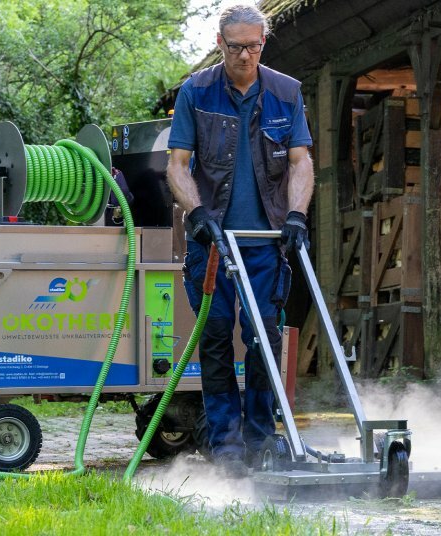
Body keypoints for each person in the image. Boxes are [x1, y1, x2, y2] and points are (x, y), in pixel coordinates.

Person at [166, 4, 314, 477]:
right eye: (236, 47)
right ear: (219, 43)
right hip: (212, 243)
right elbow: (177, 164)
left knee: (263, 340)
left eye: (254, 46)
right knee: (214, 340)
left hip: (266, 243)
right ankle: (225, 445)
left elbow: (299, 162)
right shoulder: (197, 92)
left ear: (262, 44)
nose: (246, 56)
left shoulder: (286, 92)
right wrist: (198, 211)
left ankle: (261, 439)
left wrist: (296, 215)